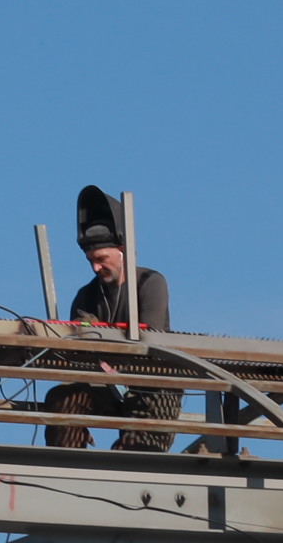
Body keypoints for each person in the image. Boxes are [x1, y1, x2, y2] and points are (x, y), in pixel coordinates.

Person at [38, 184, 186, 452]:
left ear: (122, 249)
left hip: (151, 386)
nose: (96, 267)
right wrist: (72, 420)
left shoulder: (150, 282)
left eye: (101, 258)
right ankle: (68, 462)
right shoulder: (86, 295)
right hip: (106, 385)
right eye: (90, 261)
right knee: (63, 396)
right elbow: (78, 351)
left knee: (135, 449)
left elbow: (148, 337)